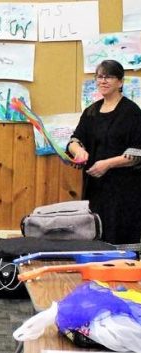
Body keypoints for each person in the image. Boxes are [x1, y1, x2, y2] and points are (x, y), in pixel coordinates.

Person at [67, 59, 141, 245]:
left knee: (121, 239)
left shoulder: (132, 112)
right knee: (96, 237)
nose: (103, 81)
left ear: (121, 82)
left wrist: (107, 164)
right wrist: (78, 151)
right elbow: (74, 141)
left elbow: (137, 152)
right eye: (99, 77)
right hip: (95, 188)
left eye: (109, 76)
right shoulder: (91, 112)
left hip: (124, 191)